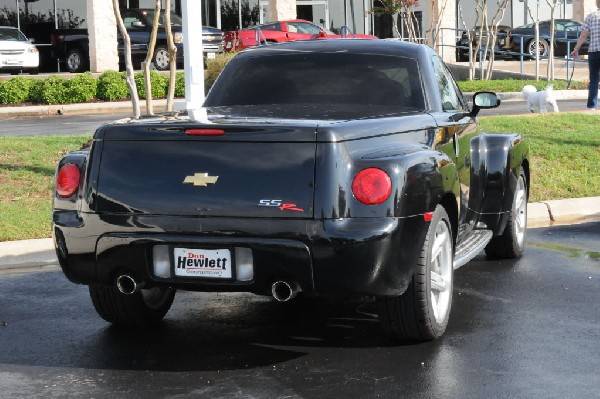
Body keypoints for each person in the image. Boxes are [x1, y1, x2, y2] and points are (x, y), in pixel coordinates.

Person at [571, 1, 600, 109]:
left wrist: (576, 49)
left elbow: (584, 34)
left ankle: (591, 107)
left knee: (594, 79)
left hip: (593, 51)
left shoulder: (591, 16)